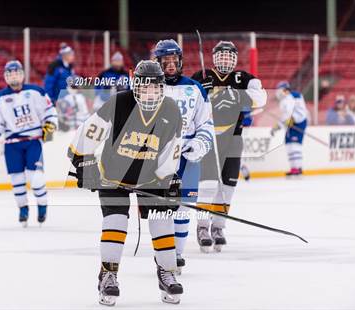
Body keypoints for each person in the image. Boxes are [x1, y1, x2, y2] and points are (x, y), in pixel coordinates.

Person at [68, 60, 184, 306]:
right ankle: (108, 274)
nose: (150, 93)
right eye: (145, 87)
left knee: (162, 221)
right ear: (136, 86)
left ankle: (166, 272)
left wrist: (170, 178)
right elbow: (88, 132)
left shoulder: (172, 111)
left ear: (162, 88)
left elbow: (170, 151)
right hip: (112, 175)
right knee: (116, 221)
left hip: (150, 177)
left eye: (156, 88)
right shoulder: (119, 103)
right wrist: (81, 162)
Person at [192, 40, 267, 252]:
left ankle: (218, 226)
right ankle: (202, 226)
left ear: (234, 58)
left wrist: (238, 96)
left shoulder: (242, 78)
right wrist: (200, 91)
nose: (225, 60)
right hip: (208, 138)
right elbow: (188, 102)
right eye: (221, 55)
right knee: (207, 185)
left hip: (234, 138)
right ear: (214, 58)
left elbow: (261, 97)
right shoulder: (201, 76)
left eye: (229, 56)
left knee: (227, 186)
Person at [154, 39, 214, 272]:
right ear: (157, 63)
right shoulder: (150, 86)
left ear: (180, 61)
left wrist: (200, 144)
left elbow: (206, 124)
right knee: (161, 209)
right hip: (160, 156)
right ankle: (164, 253)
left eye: (173, 60)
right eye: (165, 61)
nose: (170, 65)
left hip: (189, 157)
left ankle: (177, 254)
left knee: (184, 207)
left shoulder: (195, 88)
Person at [0, 60, 58, 226]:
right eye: (10, 74)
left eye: (16, 73)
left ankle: (42, 204)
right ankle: (23, 208)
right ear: (6, 77)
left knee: (35, 177)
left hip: (33, 141)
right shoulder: (0, 98)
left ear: (22, 74)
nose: (14, 76)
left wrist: (49, 125)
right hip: (12, 144)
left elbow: (49, 112)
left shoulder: (36, 91)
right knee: (17, 180)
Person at [271, 81, 308, 176]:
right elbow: (285, 116)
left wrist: (293, 118)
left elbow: (298, 112)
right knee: (289, 144)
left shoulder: (294, 96)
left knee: (295, 145)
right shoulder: (284, 100)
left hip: (299, 122)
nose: (278, 93)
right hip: (291, 124)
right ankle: (293, 168)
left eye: (280, 91)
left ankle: (298, 167)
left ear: (285, 90)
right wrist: (278, 125)